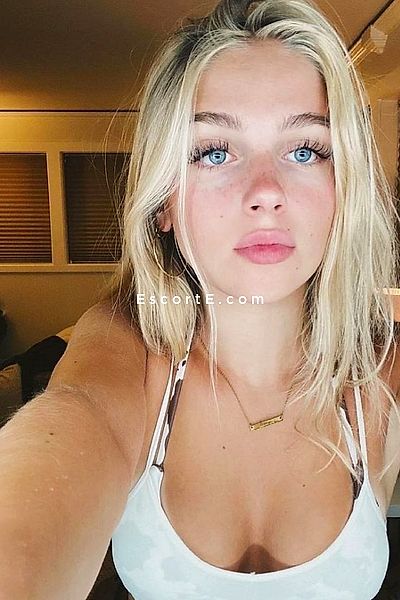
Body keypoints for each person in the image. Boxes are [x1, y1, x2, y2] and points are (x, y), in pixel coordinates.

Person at [1, 0, 400, 598]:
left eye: (305, 150)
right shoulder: (128, 347)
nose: (265, 192)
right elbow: (70, 424)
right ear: (163, 201)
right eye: (214, 152)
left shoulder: (381, 366)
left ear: (344, 190)